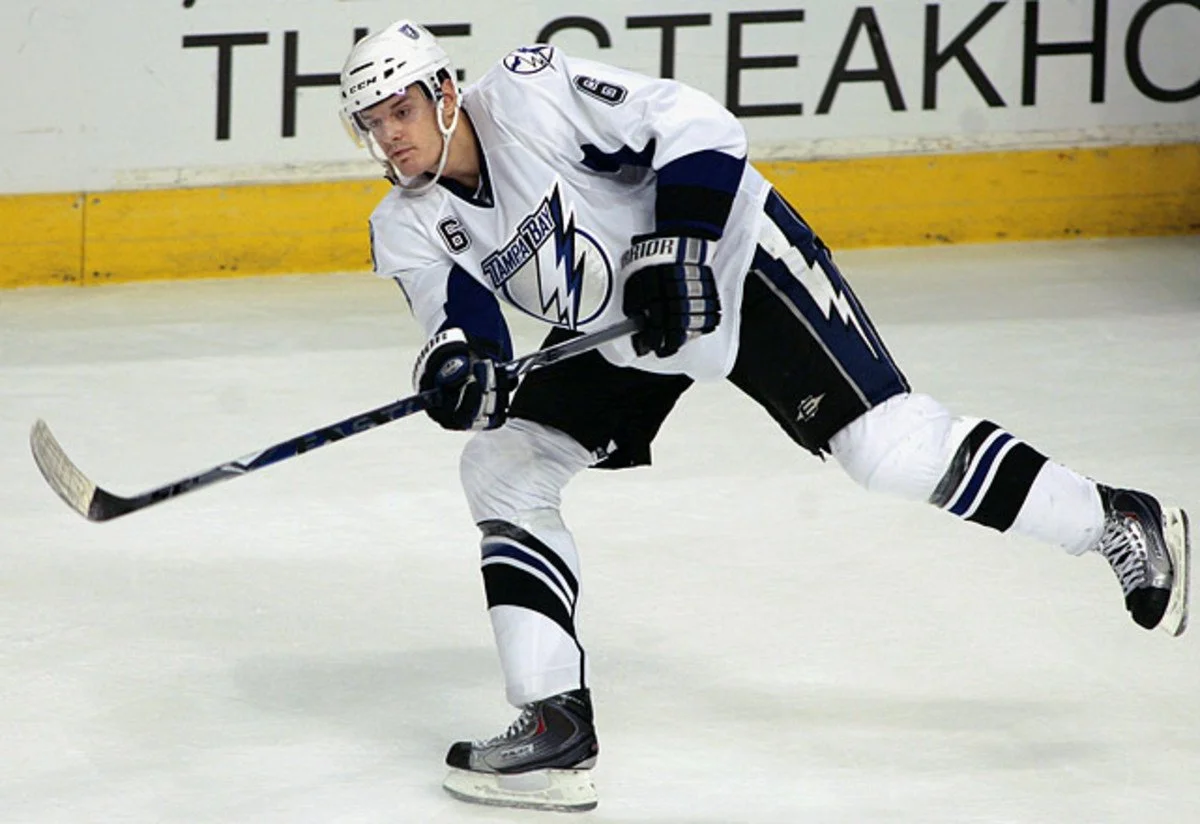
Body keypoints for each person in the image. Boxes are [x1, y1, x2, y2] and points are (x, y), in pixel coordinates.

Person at [338, 20, 1191, 813]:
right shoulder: (407, 221)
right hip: (627, 326)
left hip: (732, 258)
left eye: (401, 111)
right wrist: (463, 373)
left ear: (445, 93)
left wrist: (680, 241)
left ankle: (1115, 518)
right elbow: (459, 321)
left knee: (888, 449)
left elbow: (697, 124)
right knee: (502, 465)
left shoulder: (530, 92)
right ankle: (554, 724)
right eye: (372, 124)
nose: (391, 137)